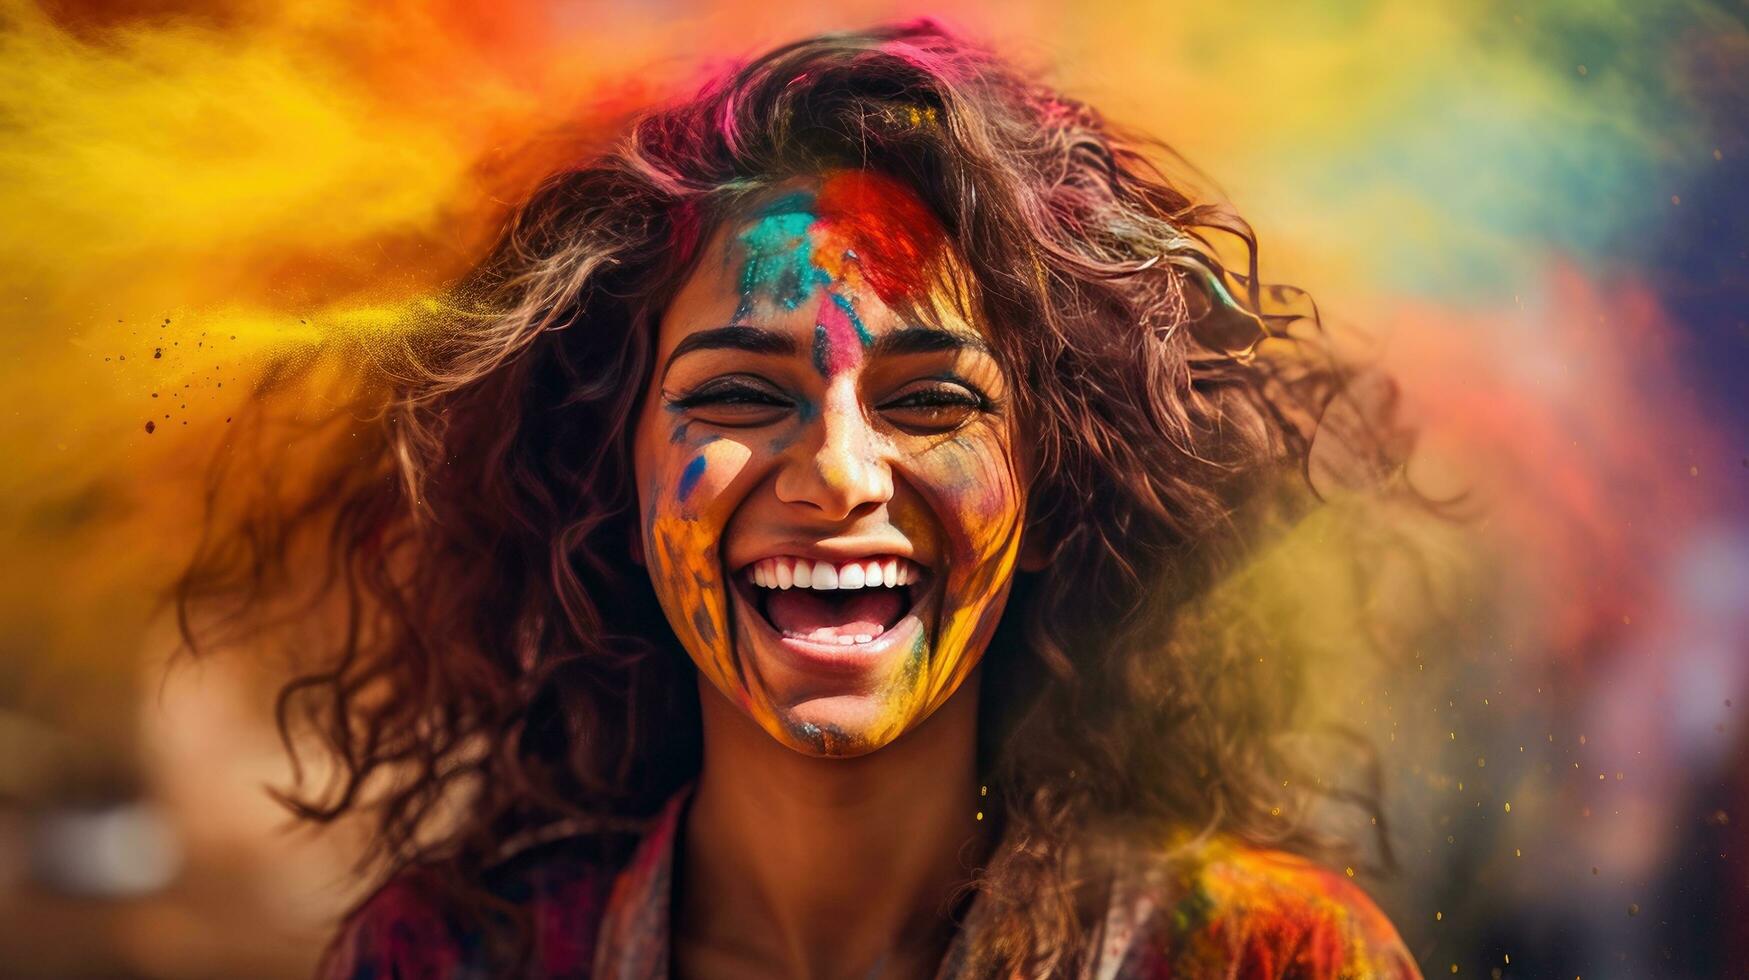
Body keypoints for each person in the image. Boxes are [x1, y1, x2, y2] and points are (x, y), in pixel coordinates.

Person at [179, 18, 1422, 980]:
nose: (837, 472)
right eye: (735, 394)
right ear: (609, 461)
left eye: (933, 402)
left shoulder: (1267, 956)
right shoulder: (450, 958)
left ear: (1053, 477)